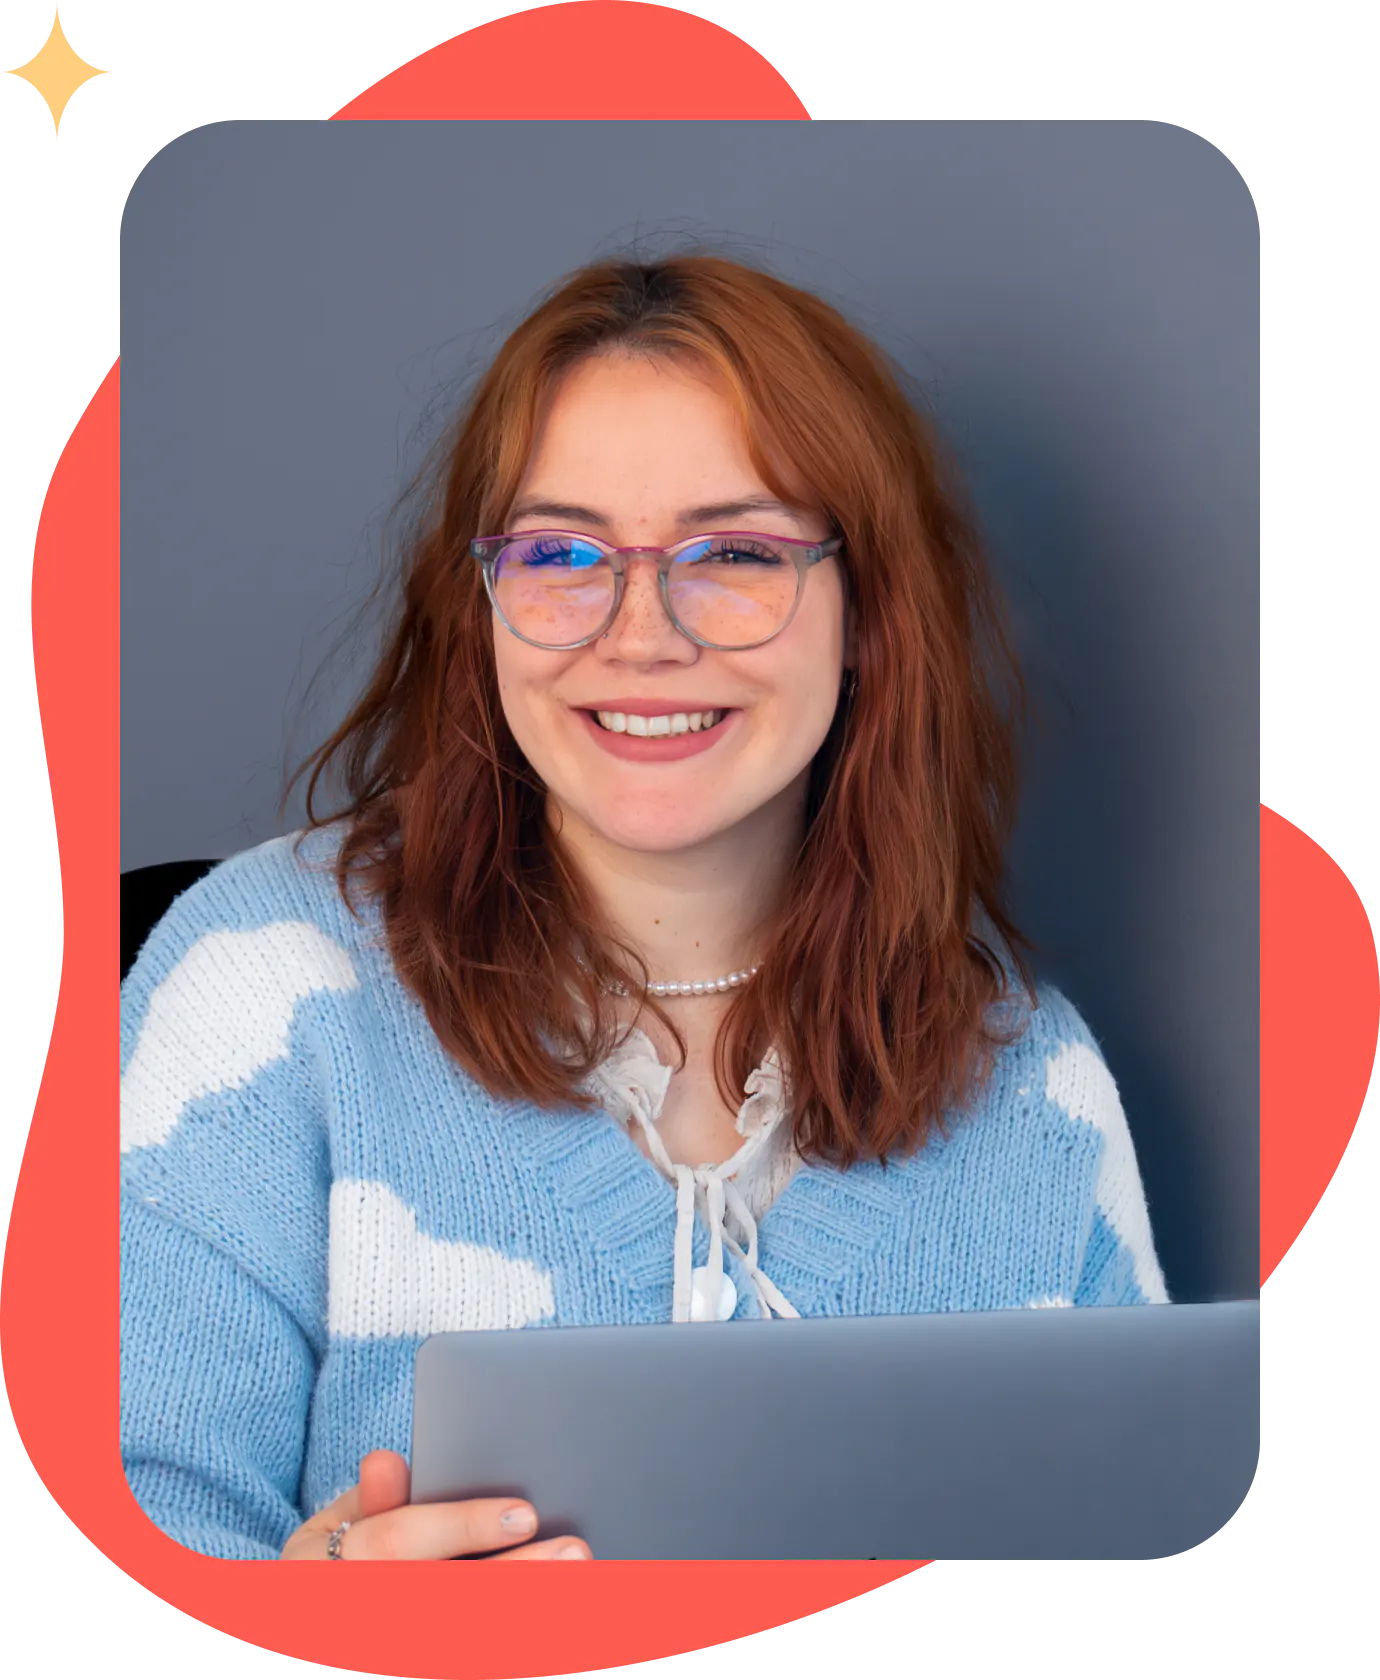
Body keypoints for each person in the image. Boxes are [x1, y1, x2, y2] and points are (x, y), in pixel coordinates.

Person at [119, 253, 1170, 1564]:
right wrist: (302, 1620)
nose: (641, 633)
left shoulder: (1037, 1087)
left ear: (865, 618)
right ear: (481, 606)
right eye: (563, 553)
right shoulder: (259, 991)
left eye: (732, 552)